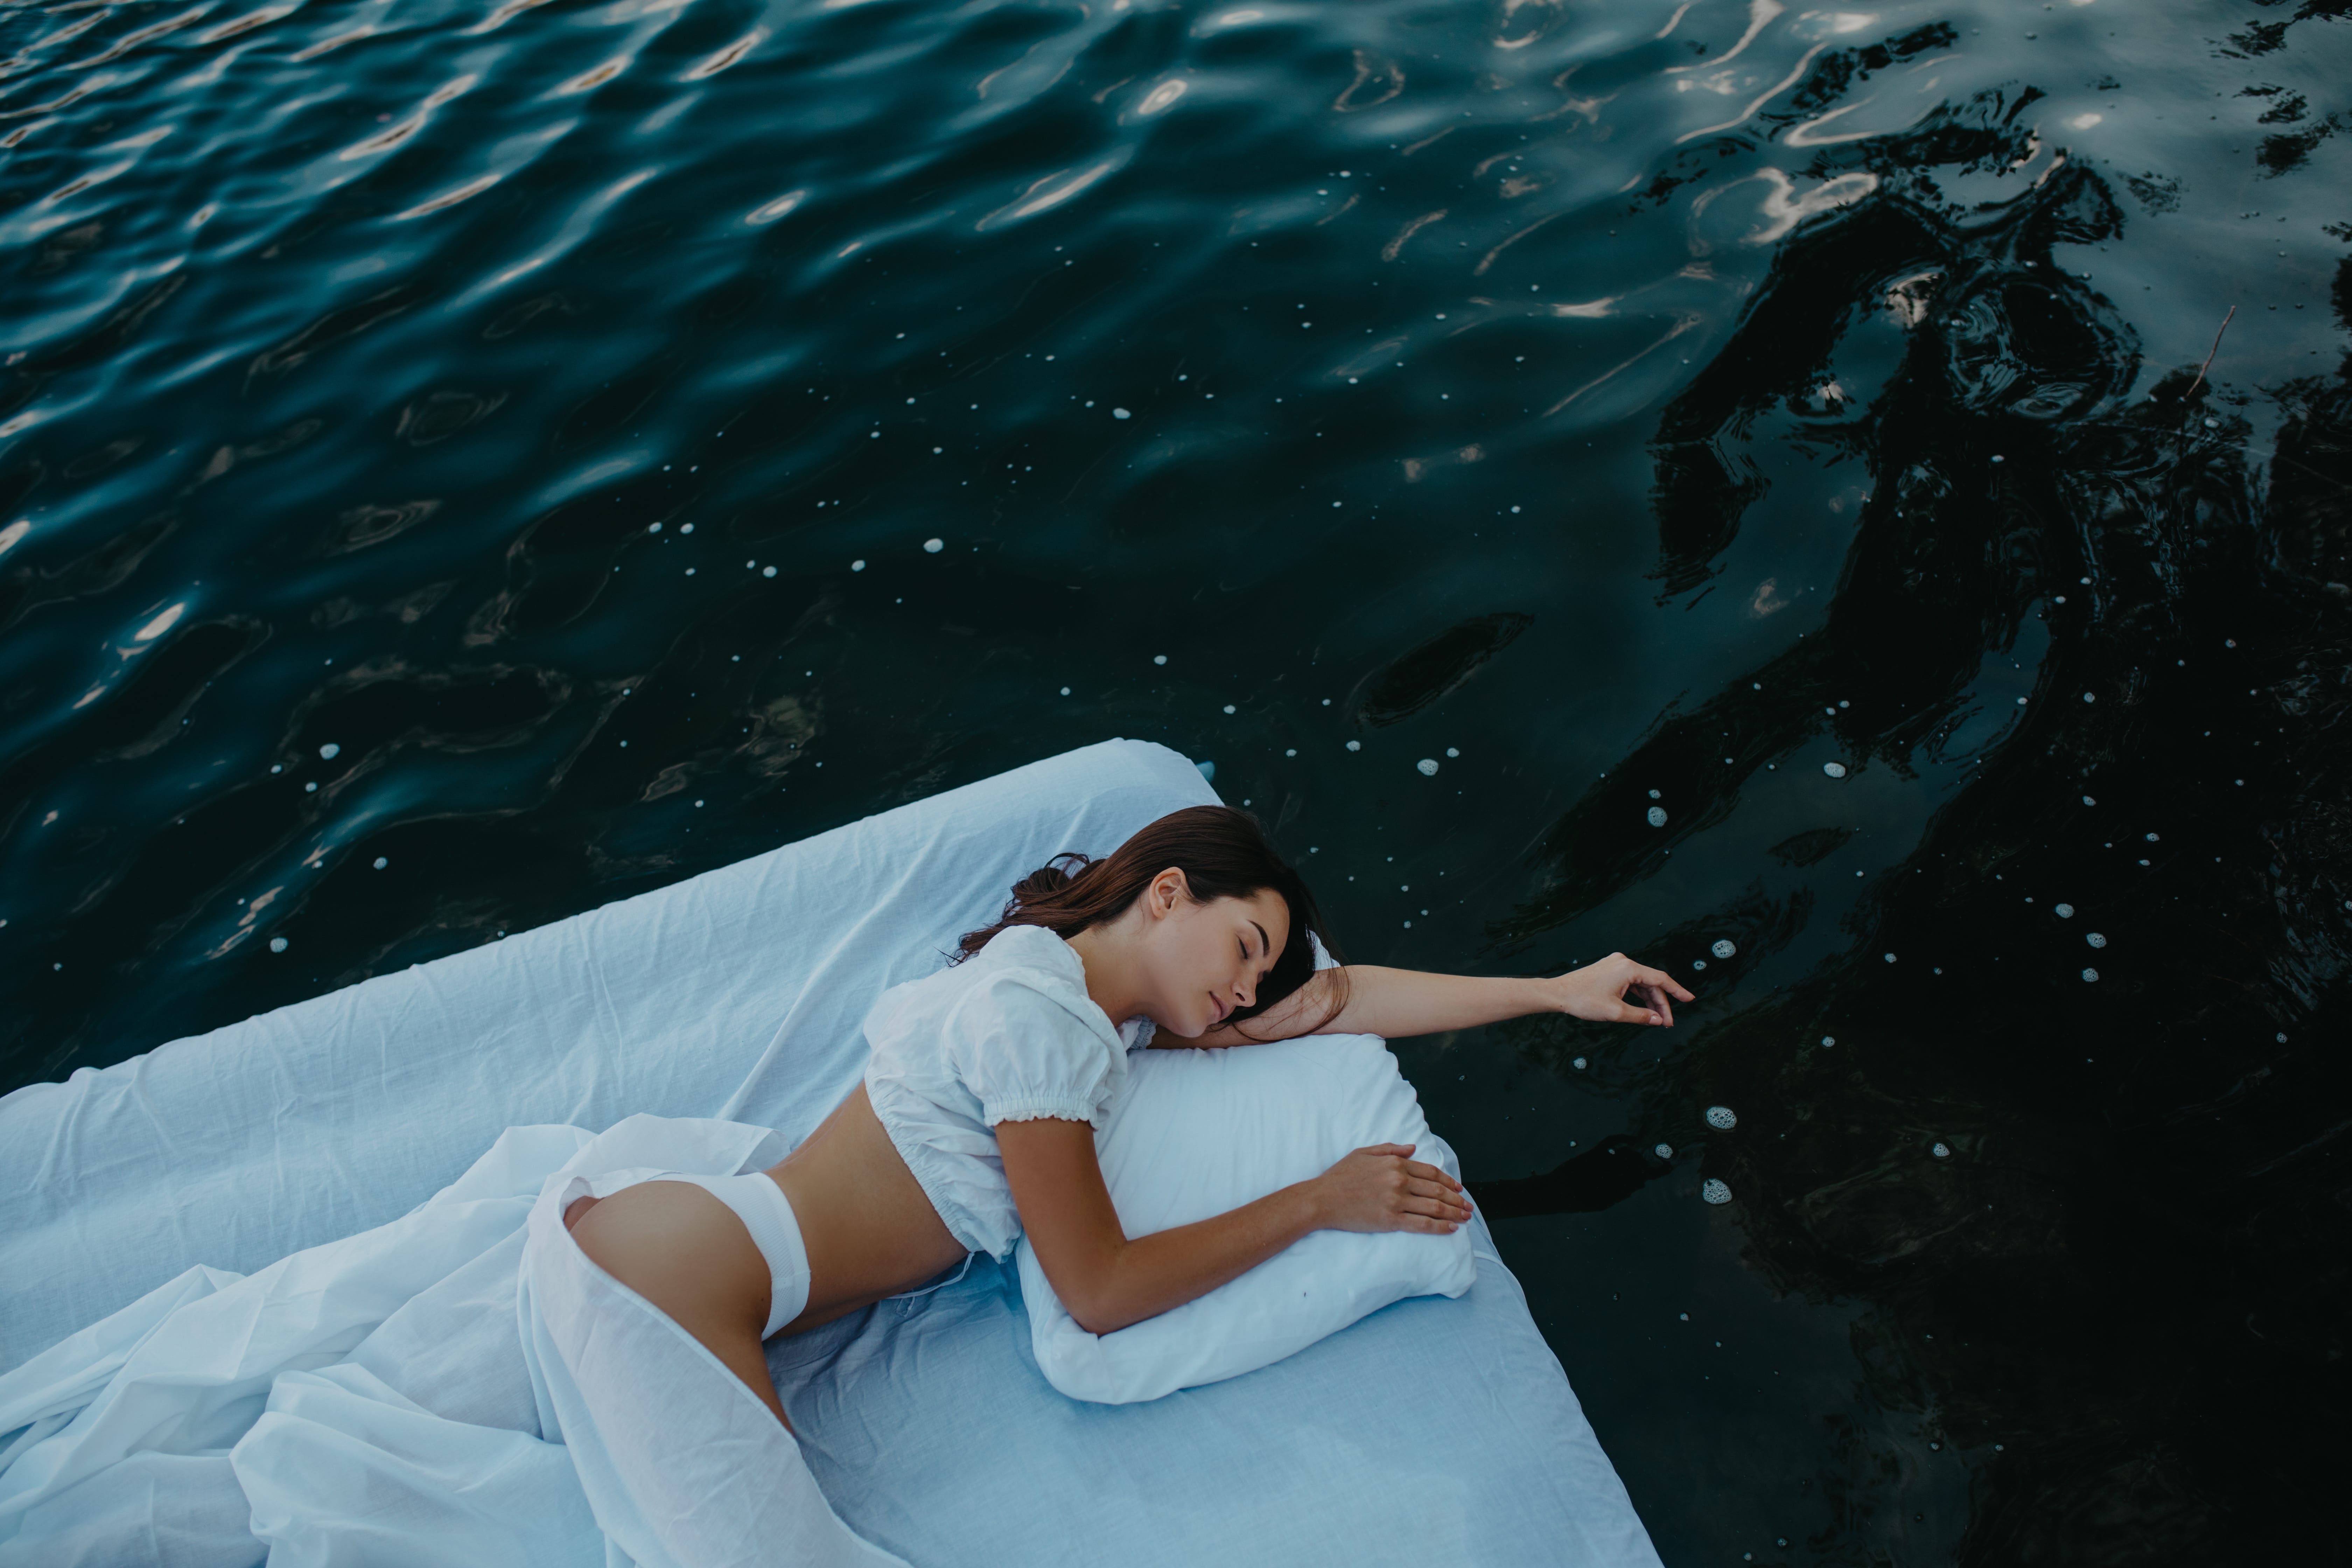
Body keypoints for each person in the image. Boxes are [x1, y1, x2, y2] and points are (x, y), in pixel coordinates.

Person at [560, 804, 1694, 1429]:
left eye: (1257, 979)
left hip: (695, 1268)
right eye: (1244, 949)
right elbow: (1099, 1294)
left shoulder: (1103, 1005)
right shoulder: (1040, 1022)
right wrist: (1317, 1201)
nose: (1247, 996)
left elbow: (1342, 999)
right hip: (686, 1283)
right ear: (1165, 893)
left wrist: (1552, 989)